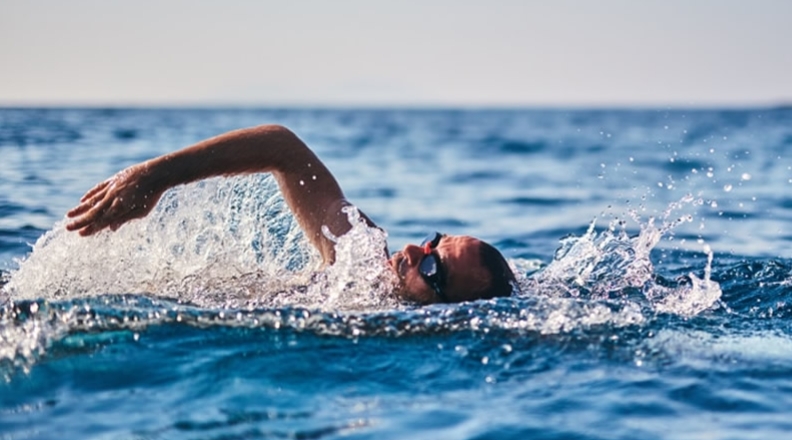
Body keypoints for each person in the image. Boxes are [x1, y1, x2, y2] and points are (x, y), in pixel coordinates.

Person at [64, 124, 516, 305]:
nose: (416, 250)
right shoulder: (357, 252)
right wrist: (155, 177)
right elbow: (282, 147)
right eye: (434, 242)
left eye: (434, 267)